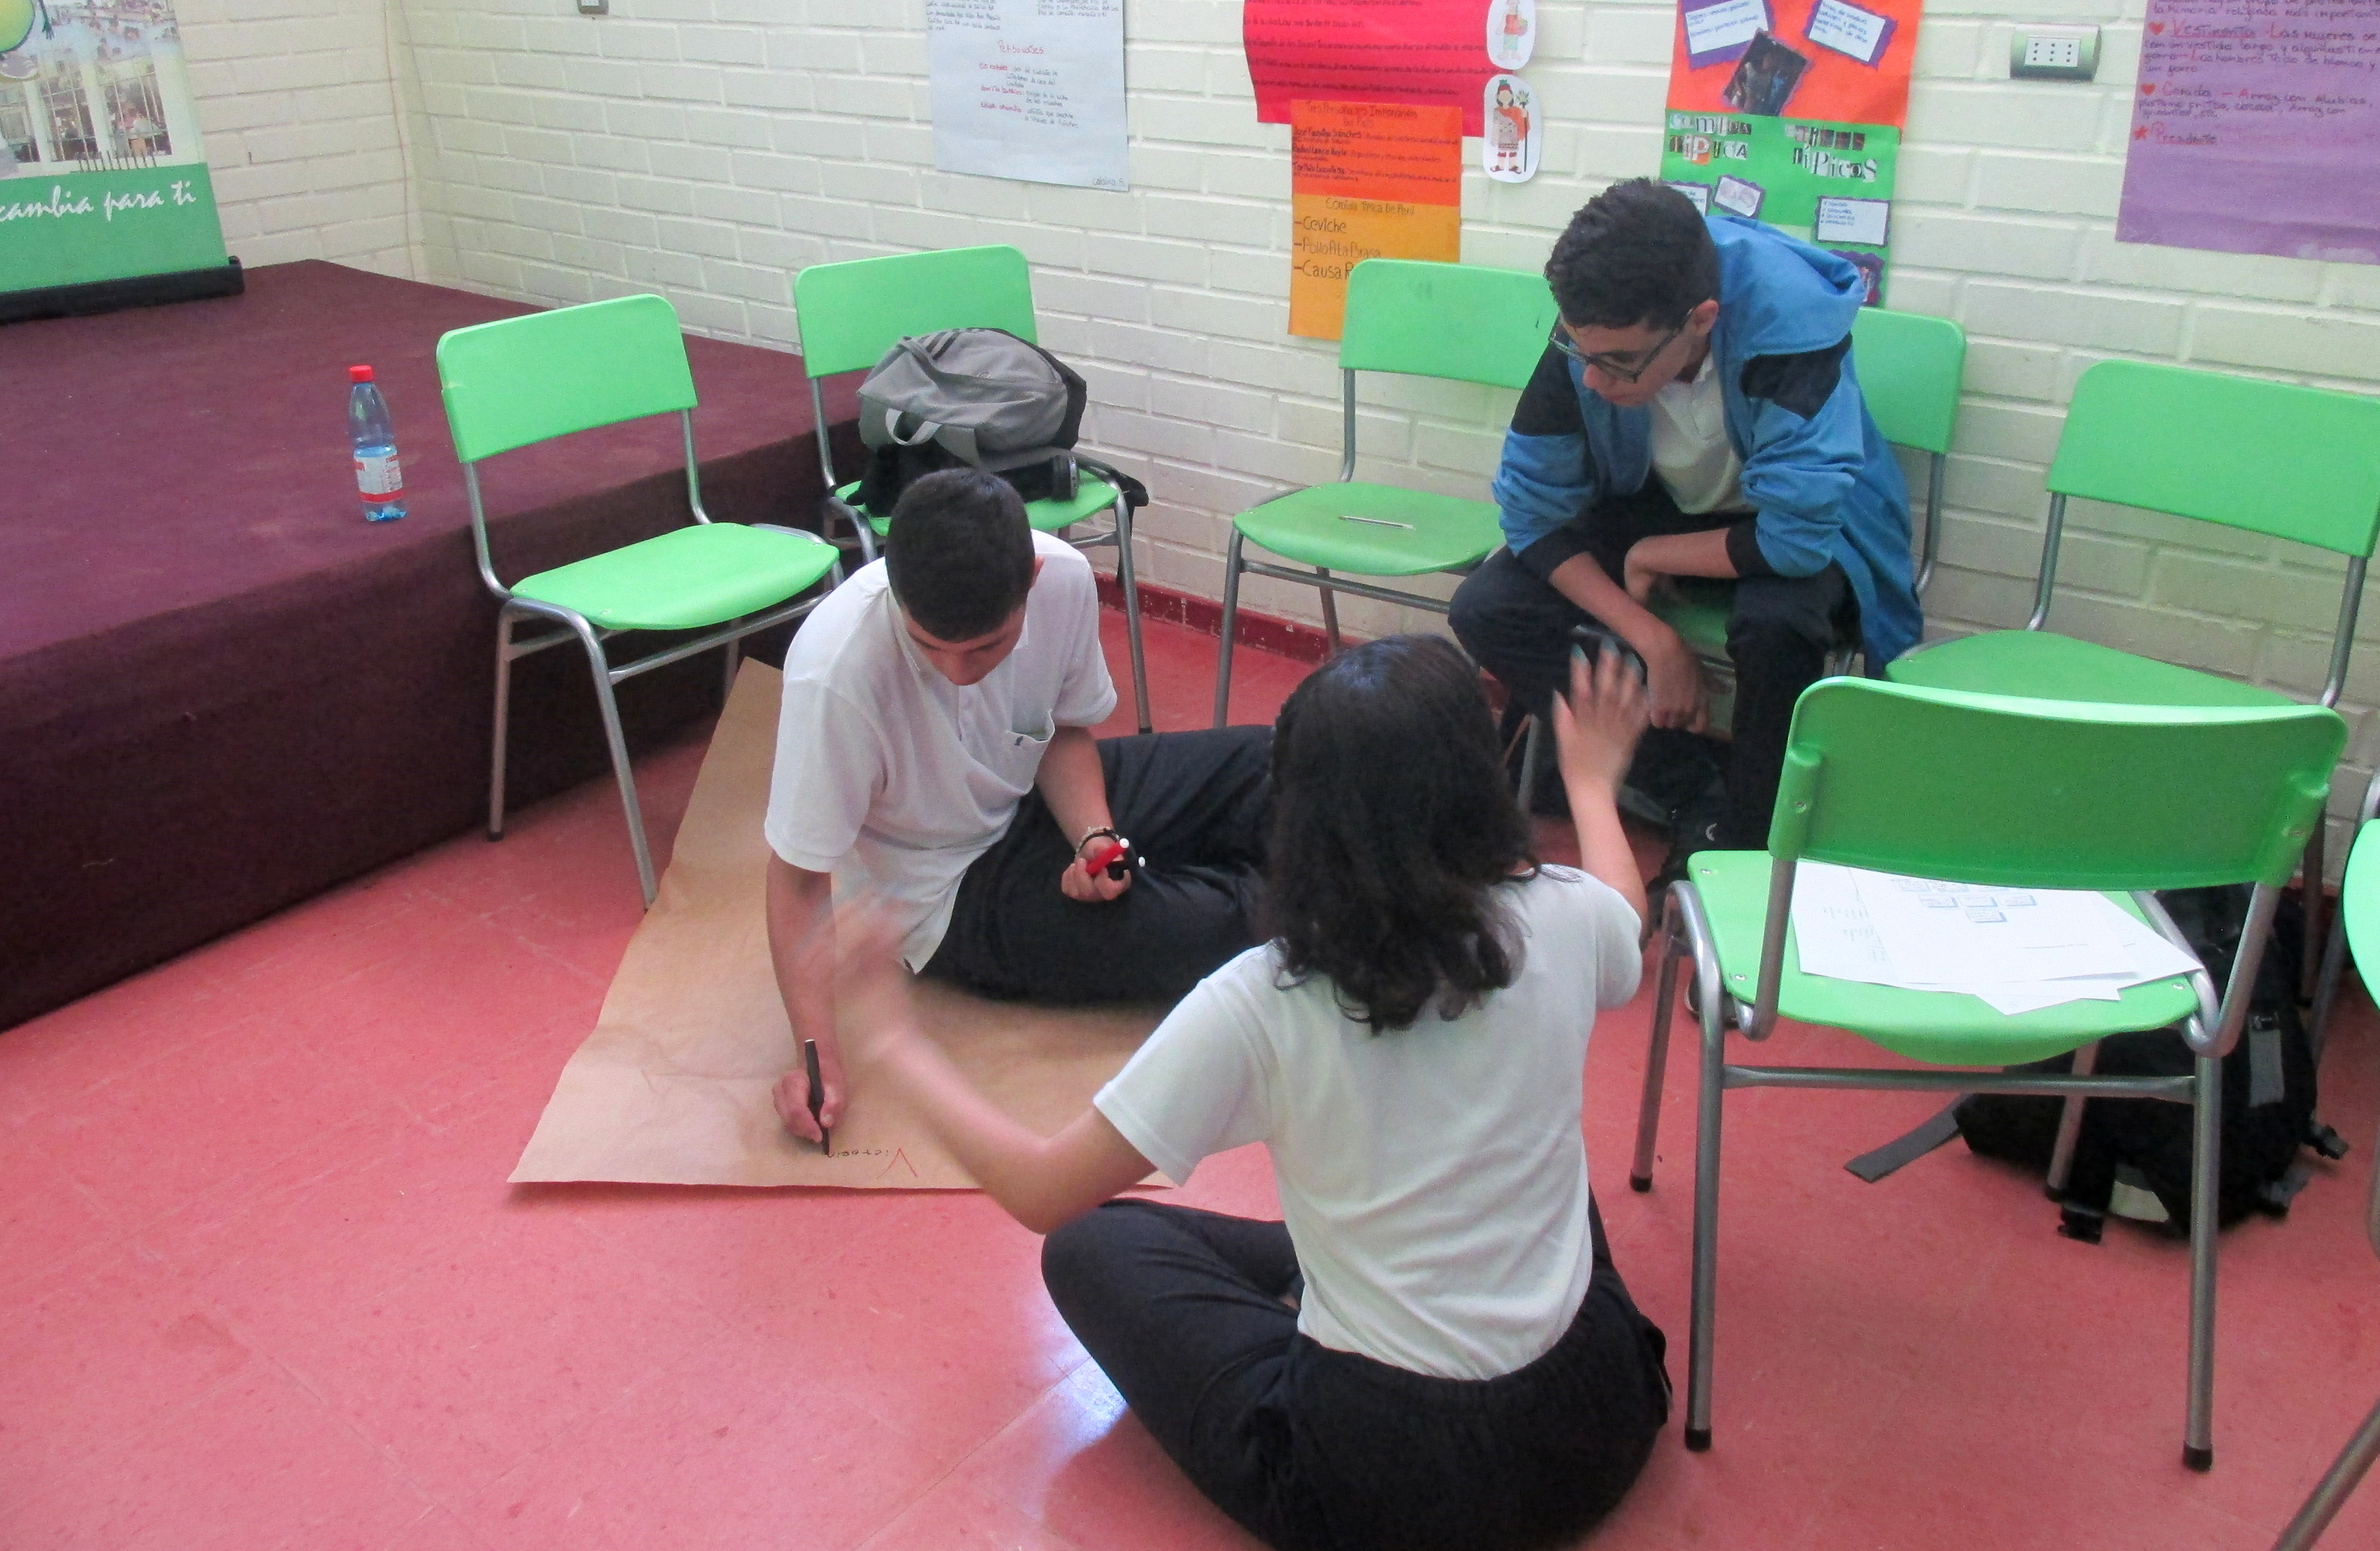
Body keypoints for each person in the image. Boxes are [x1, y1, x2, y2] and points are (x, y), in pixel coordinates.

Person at [806, 635, 1671, 1551]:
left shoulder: (1264, 998)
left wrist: (895, 1045)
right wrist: (1590, 782)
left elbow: (1042, 1190)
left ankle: (1338, 1286)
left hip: (1395, 1485)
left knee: (1093, 1246)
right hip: (1593, 1418)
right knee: (1545, 1164)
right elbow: (1624, 917)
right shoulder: (1564, 913)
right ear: (1480, 787)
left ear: (1293, 812)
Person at [763, 467, 1271, 1140]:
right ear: (894, 589)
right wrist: (817, 1054)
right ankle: (1345, 898)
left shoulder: (1063, 579)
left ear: (1030, 578)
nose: (958, 672)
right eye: (929, 646)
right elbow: (798, 879)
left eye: (987, 647)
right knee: (1213, 925)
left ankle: (1349, 865)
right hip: (946, 891)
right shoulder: (834, 672)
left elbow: (1061, 733)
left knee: (1271, 760)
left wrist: (1095, 840)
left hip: (1034, 793)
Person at [1450, 177, 1921, 866]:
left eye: (1618, 362)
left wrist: (1651, 556)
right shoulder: (1598, 334)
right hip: (1661, 505)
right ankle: (1686, 787)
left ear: (1701, 320)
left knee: (1778, 626)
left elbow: (1795, 540)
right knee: (1488, 606)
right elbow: (1531, 511)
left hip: (1796, 526)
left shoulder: (1792, 327)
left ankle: (1745, 842)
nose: (1592, 380)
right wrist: (1654, 641)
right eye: (1580, 352)